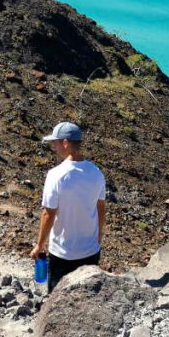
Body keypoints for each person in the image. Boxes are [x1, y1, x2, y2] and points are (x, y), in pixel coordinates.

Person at [30, 121, 106, 293]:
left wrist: (39, 245)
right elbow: (100, 207)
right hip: (91, 251)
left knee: (57, 299)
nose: (53, 147)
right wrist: (99, 236)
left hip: (63, 254)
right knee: (87, 298)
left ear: (65, 143)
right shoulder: (96, 172)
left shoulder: (56, 175)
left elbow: (48, 214)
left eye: (55, 142)